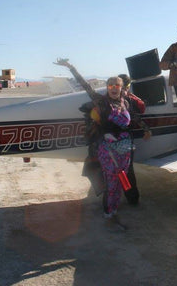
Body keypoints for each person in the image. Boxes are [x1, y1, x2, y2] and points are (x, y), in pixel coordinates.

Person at [55, 58, 151, 230]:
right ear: (107, 88)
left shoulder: (126, 102)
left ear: (122, 88)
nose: (114, 88)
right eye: (111, 85)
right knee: (111, 182)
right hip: (108, 149)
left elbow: (134, 118)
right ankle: (108, 213)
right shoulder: (101, 101)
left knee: (122, 181)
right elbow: (84, 84)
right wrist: (71, 67)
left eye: (117, 85)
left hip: (125, 148)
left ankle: (114, 210)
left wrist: (146, 129)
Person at [118, 74, 145, 205]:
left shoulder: (108, 99)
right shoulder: (128, 100)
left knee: (121, 171)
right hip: (124, 140)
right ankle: (132, 198)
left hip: (114, 141)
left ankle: (129, 196)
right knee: (126, 171)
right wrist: (147, 129)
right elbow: (137, 114)